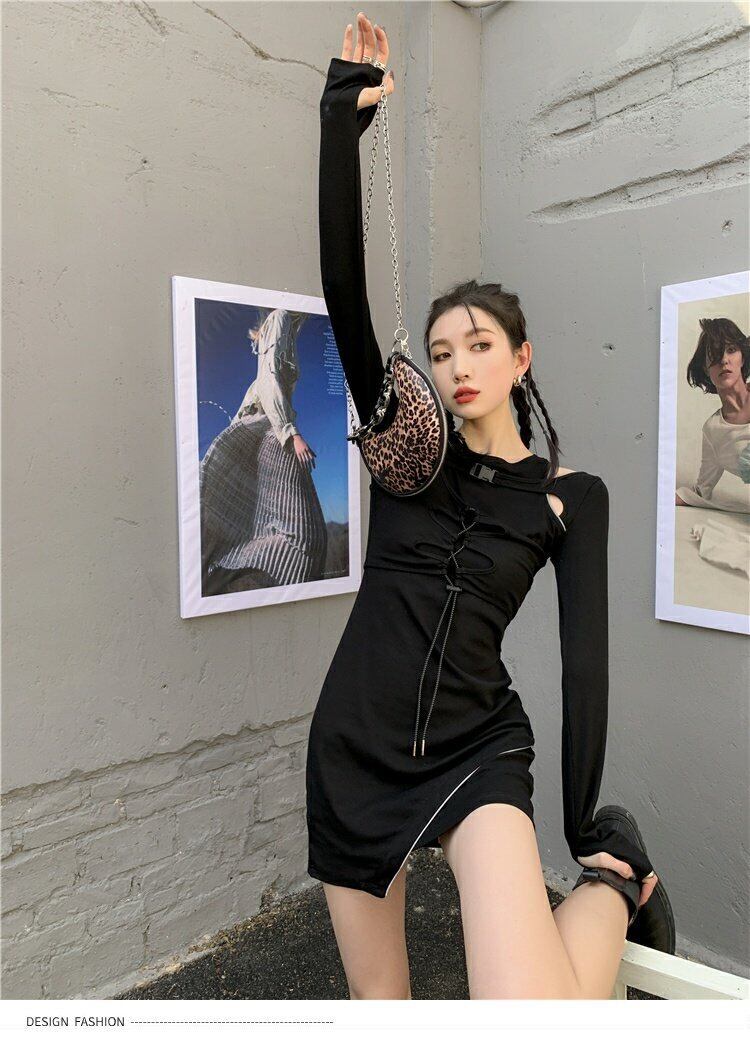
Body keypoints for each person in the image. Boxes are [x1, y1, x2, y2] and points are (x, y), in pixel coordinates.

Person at [305, 13, 672, 1000]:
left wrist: (587, 823)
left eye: (480, 344)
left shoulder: (570, 498)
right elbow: (342, 286)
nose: (458, 364)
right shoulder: (407, 444)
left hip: (479, 749)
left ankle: (613, 885)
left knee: (528, 1015)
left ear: (521, 357)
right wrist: (341, 118)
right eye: (442, 349)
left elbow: (584, 665)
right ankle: (616, 893)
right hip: (355, 742)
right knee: (383, 1010)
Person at [199, 308, 327, 594]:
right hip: (271, 428)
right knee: (305, 540)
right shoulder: (281, 317)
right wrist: (291, 433)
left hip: (270, 427)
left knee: (297, 536)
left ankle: (239, 576)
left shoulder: (286, 324)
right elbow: (269, 379)